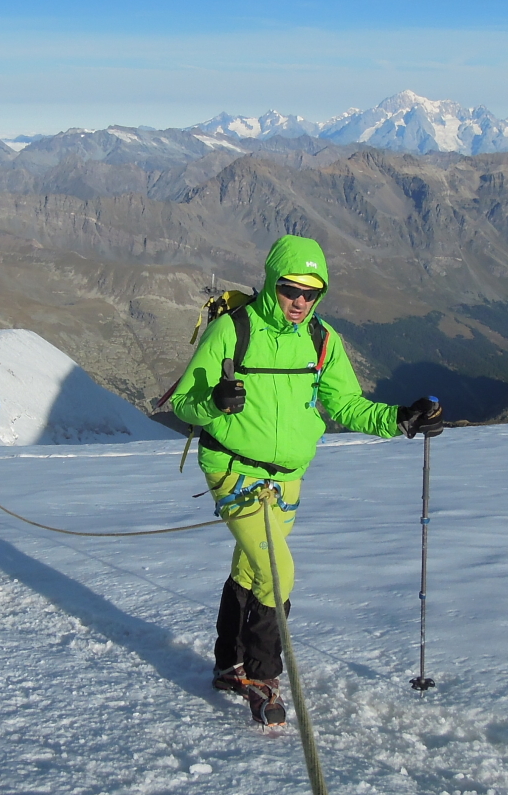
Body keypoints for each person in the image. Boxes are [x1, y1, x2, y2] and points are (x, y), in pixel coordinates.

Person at [170, 234, 444, 725]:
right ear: (272, 282)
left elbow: (345, 404)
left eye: (310, 292)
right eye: (290, 289)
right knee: (279, 572)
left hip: (289, 477)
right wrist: (216, 401)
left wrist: (401, 418)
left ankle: (228, 664)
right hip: (233, 470)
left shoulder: (322, 340)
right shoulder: (232, 332)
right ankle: (262, 678)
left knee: (253, 569)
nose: (299, 301)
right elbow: (185, 402)